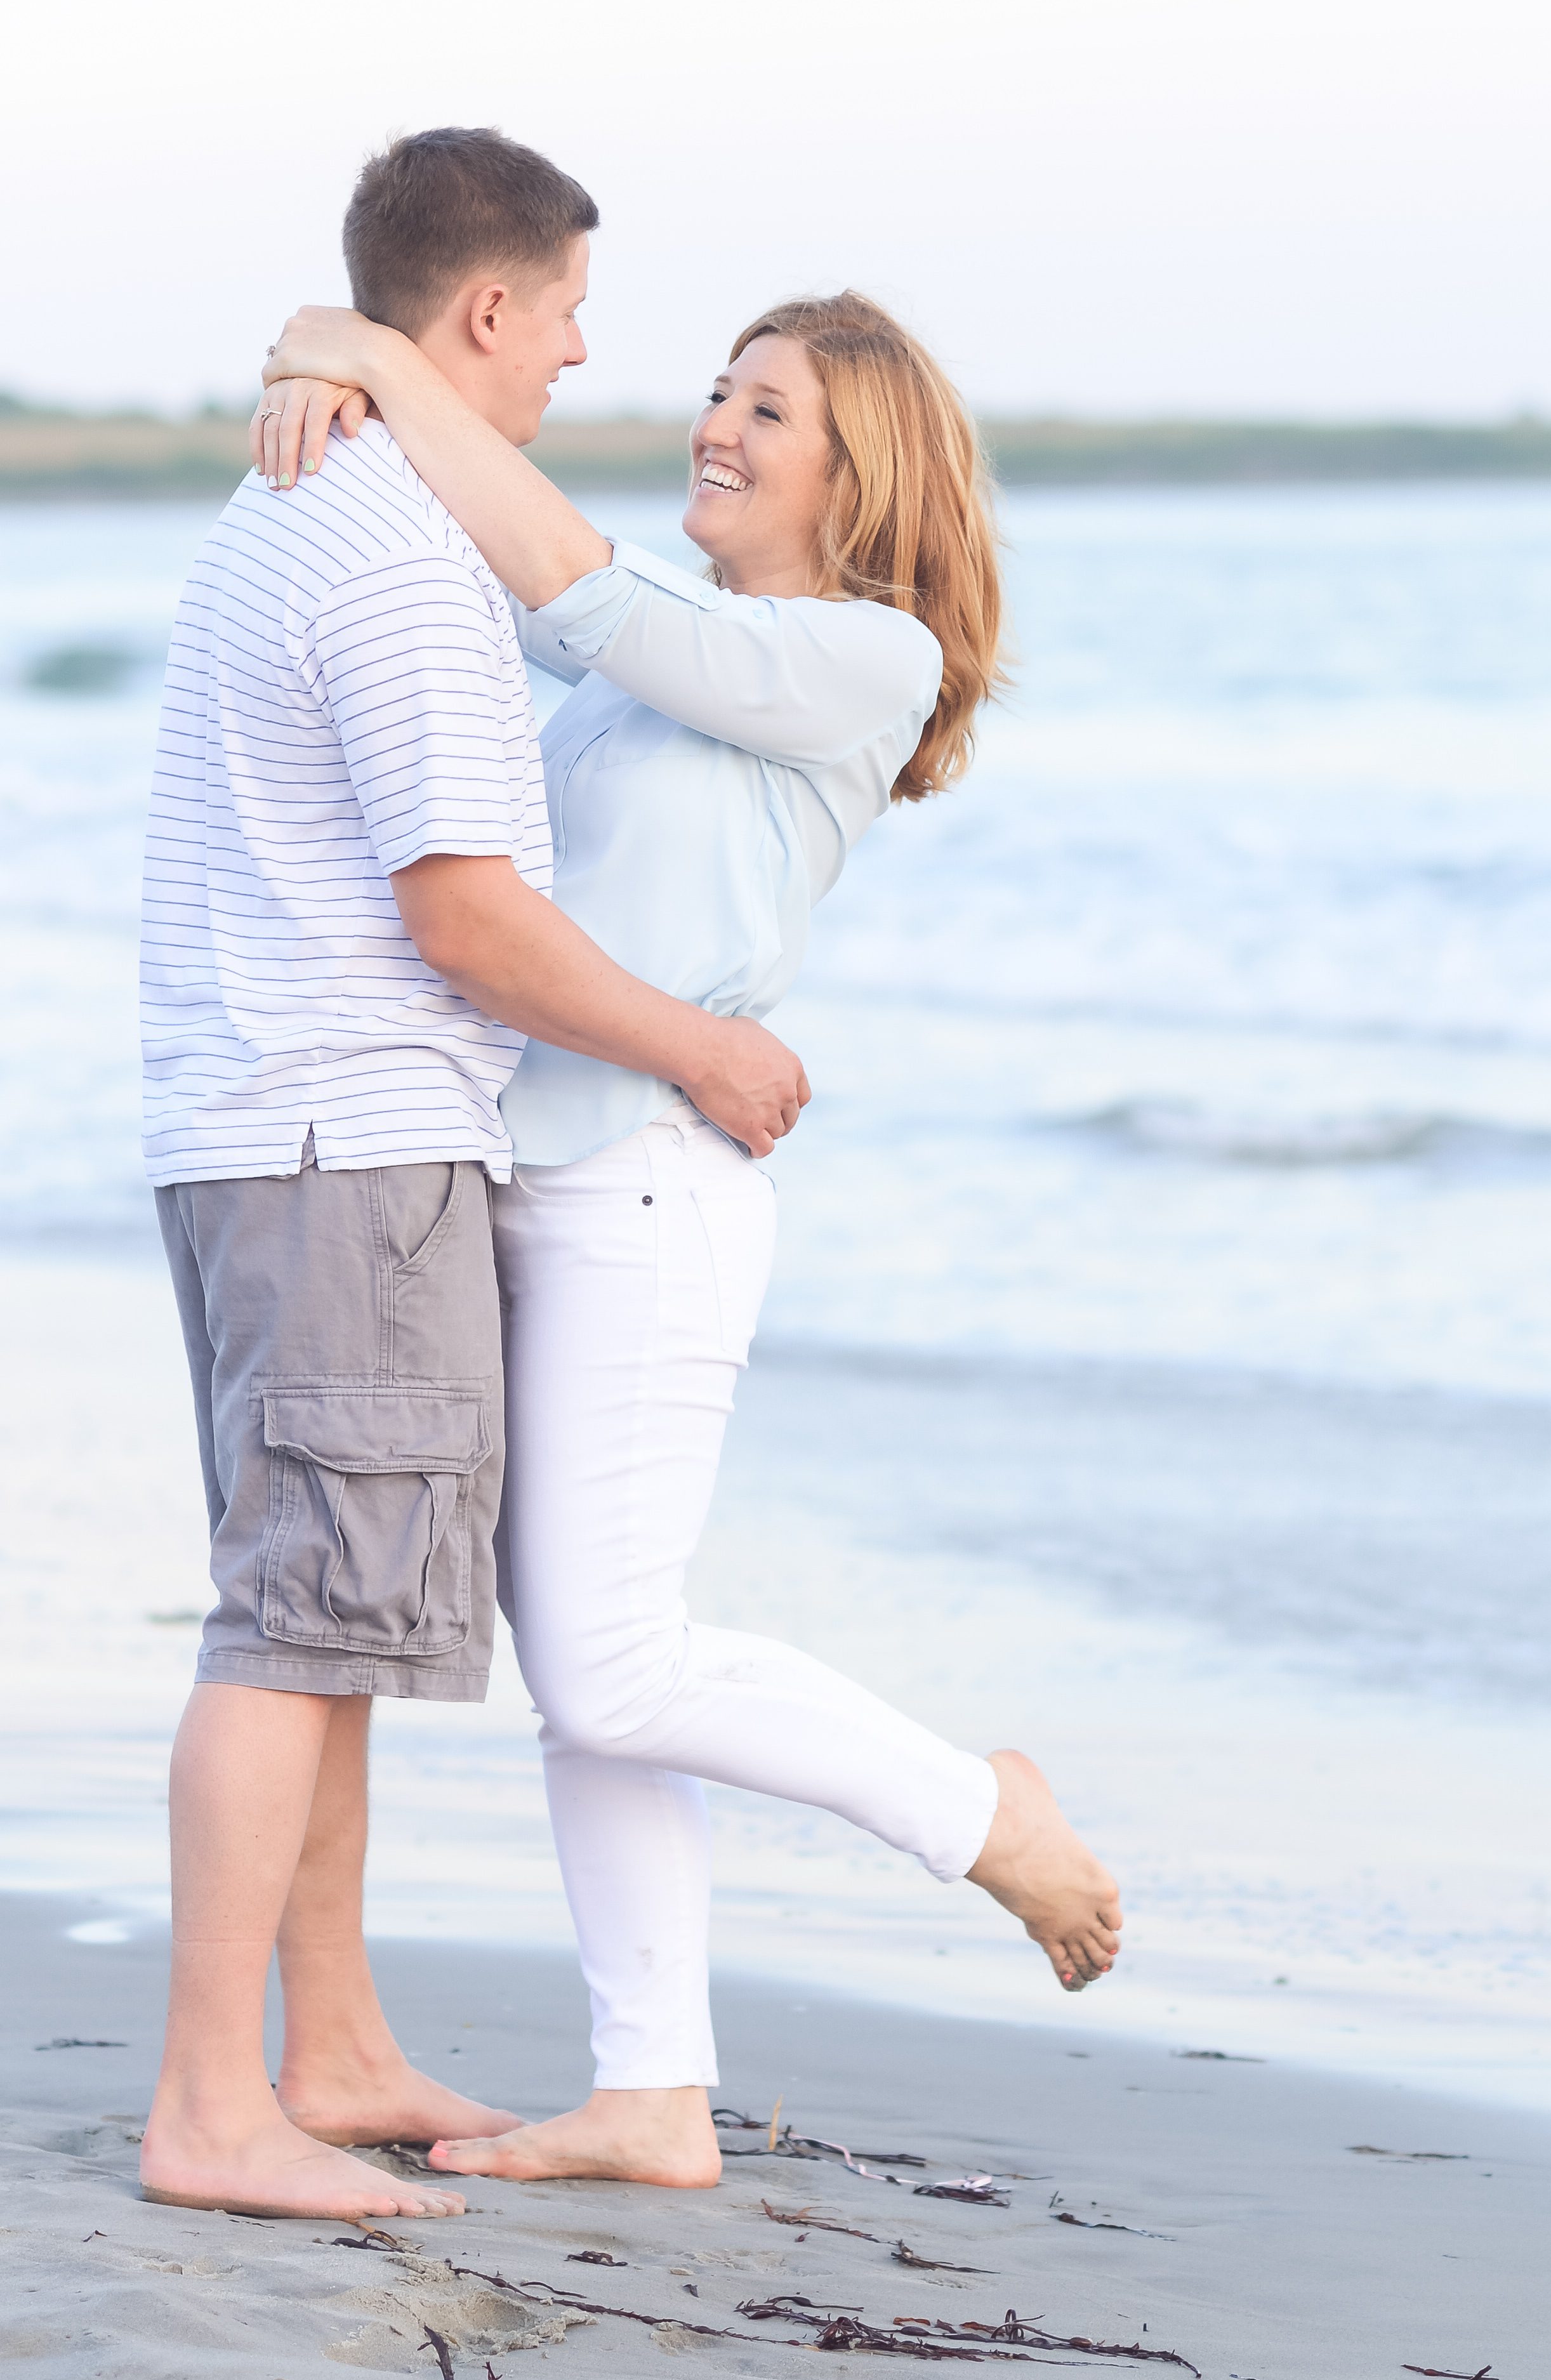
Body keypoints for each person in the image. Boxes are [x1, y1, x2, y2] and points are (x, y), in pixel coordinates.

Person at [251, 240, 1123, 2192]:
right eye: (719, 392)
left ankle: (982, 1816)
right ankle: (650, 2089)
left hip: (652, 1195)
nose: (718, 426)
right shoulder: (642, 678)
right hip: (532, 1187)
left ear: (862, 474)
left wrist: (380, 360)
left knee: (623, 1664)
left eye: (770, 409)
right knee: (588, 1676)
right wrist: (339, 370)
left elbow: (570, 584)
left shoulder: (859, 660)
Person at [138, 129, 812, 2225]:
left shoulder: (304, 497)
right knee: (295, 1621)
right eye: (572, 314)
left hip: (264, 1126)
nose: (590, 361)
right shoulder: (402, 556)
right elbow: (469, 916)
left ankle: (324, 2048)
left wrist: (328, 346)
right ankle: (207, 2105)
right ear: (487, 311)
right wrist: (703, 1044)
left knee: (322, 1615)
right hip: (351, 1133)